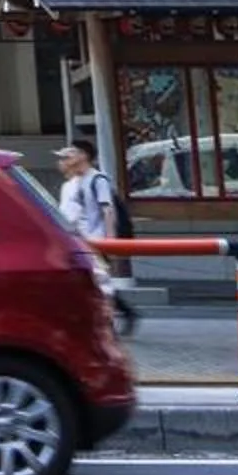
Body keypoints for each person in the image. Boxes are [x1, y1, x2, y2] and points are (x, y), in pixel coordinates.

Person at [56, 139, 138, 334]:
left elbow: (107, 210)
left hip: (97, 241)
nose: (69, 156)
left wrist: (109, 241)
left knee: (100, 284)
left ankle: (109, 322)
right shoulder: (77, 181)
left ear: (84, 156)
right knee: (95, 282)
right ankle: (110, 320)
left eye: (73, 152)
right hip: (85, 240)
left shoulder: (98, 179)